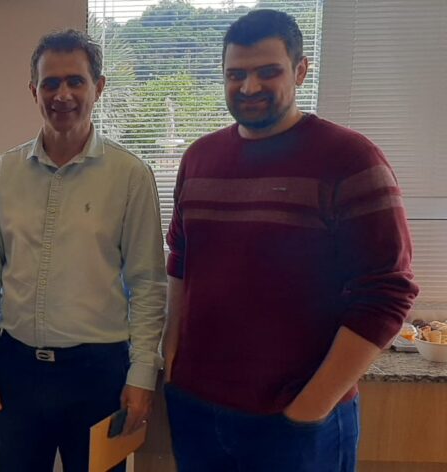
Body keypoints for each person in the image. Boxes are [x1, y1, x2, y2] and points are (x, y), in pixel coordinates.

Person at [162, 9, 419, 472]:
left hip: (297, 422)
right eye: (235, 74)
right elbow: (181, 263)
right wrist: (172, 358)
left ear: (300, 70)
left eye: (268, 72)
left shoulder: (351, 159)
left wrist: (310, 407)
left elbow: (388, 292)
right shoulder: (199, 158)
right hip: (197, 409)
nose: (249, 87)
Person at [0, 29, 167, 472]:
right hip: (17, 370)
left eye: (76, 81)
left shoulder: (130, 176)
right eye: (50, 83)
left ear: (99, 87)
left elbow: (148, 284)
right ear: (33, 90)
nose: (63, 95)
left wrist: (142, 374)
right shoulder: (1, 175)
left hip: (100, 375)